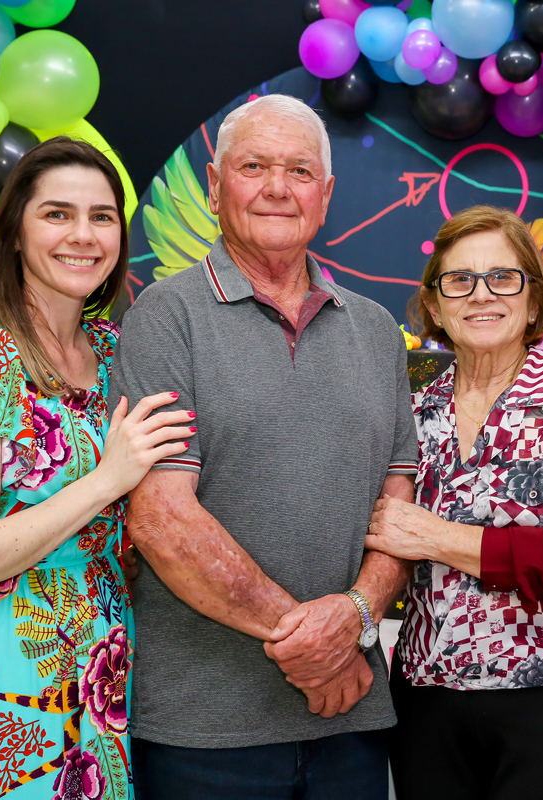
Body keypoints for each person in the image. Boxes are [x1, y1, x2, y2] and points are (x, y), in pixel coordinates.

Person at [108, 93, 417, 800]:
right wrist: (317, 647)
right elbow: (161, 519)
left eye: (299, 171)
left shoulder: (375, 330)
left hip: (351, 720)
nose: (278, 187)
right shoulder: (165, 317)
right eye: (254, 167)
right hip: (207, 727)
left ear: (325, 195)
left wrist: (355, 615)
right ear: (215, 185)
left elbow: (398, 508)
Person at [0, 137, 193, 799]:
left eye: (102, 216)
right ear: (15, 233)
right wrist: (108, 479)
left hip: (114, 666)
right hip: (11, 681)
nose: (83, 235)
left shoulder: (117, 352)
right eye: (57, 214)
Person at [366, 205, 543, 799]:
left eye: (502, 278)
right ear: (435, 306)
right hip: (428, 703)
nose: (481, 294)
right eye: (459, 280)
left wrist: (438, 537)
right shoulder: (411, 414)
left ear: (533, 302)